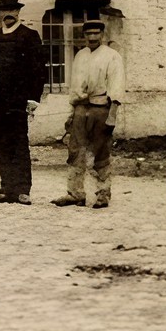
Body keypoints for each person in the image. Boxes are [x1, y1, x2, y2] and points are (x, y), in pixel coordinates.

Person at [0, 0, 46, 206]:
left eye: (12, 10)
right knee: (1, 144)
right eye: (4, 11)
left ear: (18, 12)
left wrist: (33, 98)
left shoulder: (29, 36)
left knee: (18, 143)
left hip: (18, 101)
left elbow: (38, 70)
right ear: (0, 13)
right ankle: (6, 188)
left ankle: (23, 190)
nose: (8, 14)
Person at [54, 19, 126, 210]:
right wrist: (71, 114)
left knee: (101, 152)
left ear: (102, 35)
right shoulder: (80, 55)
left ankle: (103, 194)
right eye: (88, 34)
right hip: (80, 109)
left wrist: (112, 115)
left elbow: (116, 88)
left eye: (96, 33)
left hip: (100, 109)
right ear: (83, 35)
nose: (92, 37)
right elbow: (75, 88)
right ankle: (75, 193)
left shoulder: (112, 56)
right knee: (75, 151)